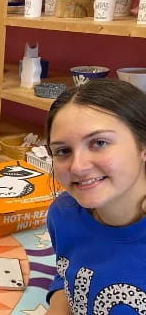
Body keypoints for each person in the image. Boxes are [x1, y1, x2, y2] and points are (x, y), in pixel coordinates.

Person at [45, 78, 146, 314]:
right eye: (63, 151)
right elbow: (68, 274)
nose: (78, 167)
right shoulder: (63, 214)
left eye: (99, 143)